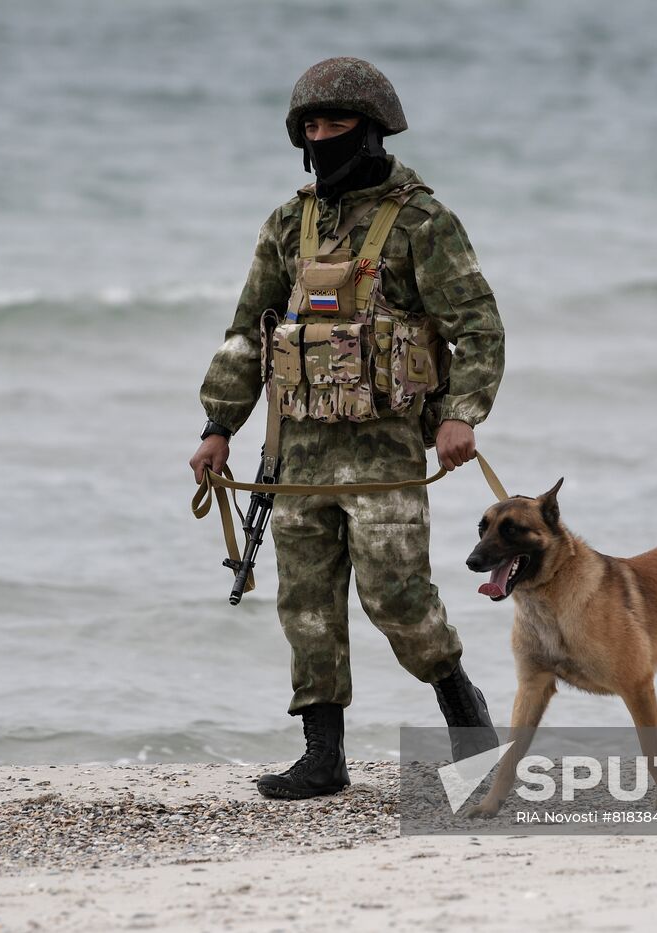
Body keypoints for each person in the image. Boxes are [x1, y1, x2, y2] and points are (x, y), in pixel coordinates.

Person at [188, 57, 505, 800]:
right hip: (295, 448)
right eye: (311, 126)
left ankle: (467, 719)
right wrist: (216, 426)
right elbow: (247, 331)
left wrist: (462, 413)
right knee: (305, 600)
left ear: (372, 130)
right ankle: (322, 755)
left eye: (336, 124)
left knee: (398, 596)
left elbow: (479, 327)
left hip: (384, 448)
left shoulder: (422, 221)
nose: (322, 136)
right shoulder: (288, 222)